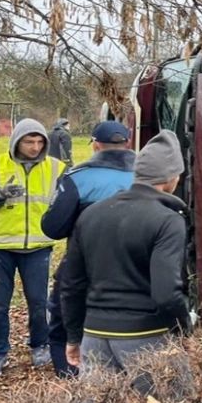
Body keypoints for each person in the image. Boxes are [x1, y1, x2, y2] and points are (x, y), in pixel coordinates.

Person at [60, 130, 192, 392]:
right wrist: (184, 328)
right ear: (172, 177)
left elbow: (71, 283)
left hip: (95, 336)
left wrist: (74, 335)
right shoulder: (168, 220)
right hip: (146, 337)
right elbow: (167, 294)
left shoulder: (92, 214)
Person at [41, 121, 134, 378]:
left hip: (84, 264)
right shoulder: (148, 177)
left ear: (95, 145)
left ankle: (71, 376)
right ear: (128, 143)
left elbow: (53, 227)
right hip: (137, 266)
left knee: (63, 317)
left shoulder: (77, 177)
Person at [0, 118, 63, 379]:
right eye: (28, 141)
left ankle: (40, 345)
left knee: (38, 301)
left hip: (38, 246)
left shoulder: (56, 168)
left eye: (39, 142)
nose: (35, 147)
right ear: (16, 141)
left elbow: (67, 203)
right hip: (0, 246)